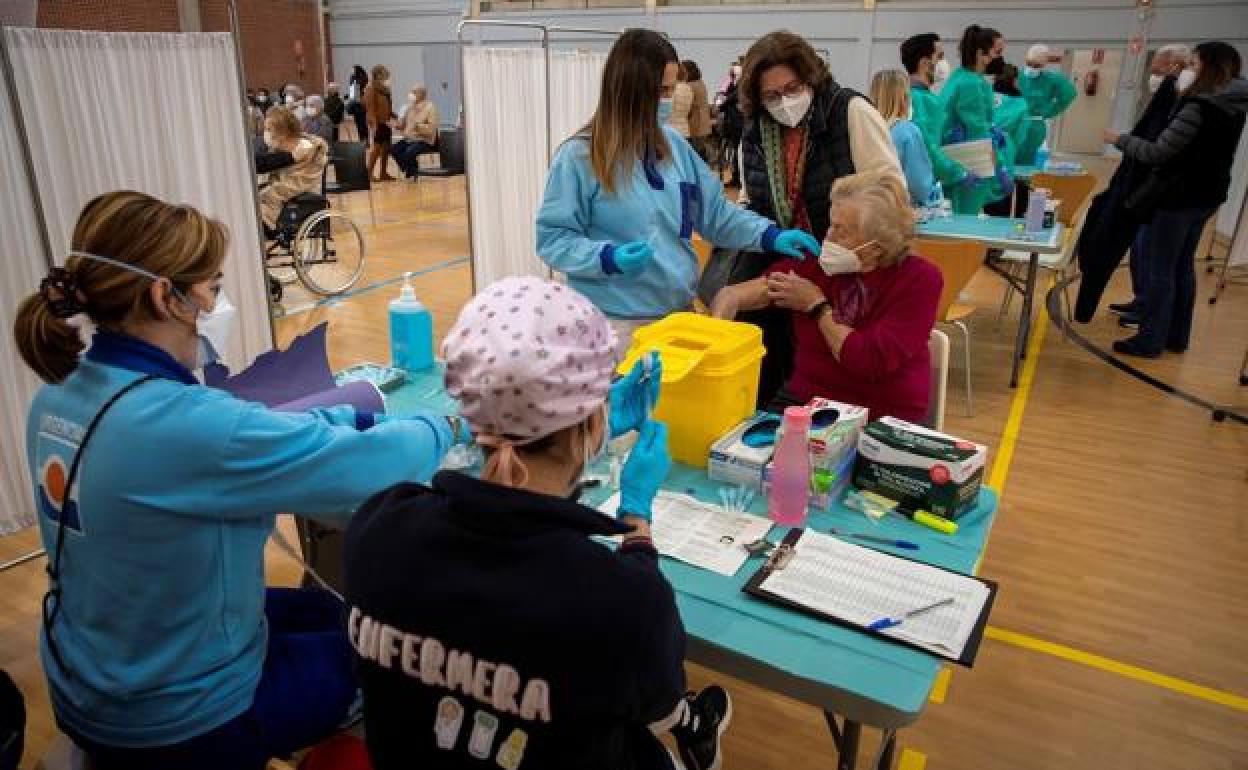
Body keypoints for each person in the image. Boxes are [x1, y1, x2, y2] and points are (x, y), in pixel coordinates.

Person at [13, 191, 461, 770]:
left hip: (92, 677)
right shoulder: (187, 426)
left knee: (334, 615)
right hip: (183, 721)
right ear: (164, 296)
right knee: (390, 646)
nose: (216, 303)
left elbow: (235, 440)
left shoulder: (59, 395)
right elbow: (367, 468)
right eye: (213, 288)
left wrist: (342, 416)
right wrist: (447, 424)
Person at [345, 275, 732, 770]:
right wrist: (636, 517)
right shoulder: (622, 599)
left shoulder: (378, 528)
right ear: (592, 424)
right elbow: (659, 708)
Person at [536, 29, 819, 349]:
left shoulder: (673, 146)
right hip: (610, 326)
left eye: (672, 89)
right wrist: (606, 257)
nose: (668, 101)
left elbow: (715, 214)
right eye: (661, 90)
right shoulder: (579, 157)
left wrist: (769, 235)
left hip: (674, 318)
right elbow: (553, 239)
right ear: (630, 91)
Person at [735, 30, 903, 406]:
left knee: (840, 377)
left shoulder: (850, 112)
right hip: (791, 266)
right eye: (771, 96)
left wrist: (856, 251)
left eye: (792, 88)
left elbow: (890, 194)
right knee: (780, 374)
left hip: (852, 268)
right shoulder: (756, 132)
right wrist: (769, 236)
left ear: (810, 78)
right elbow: (751, 199)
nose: (783, 101)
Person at [711, 172, 941, 422]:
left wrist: (817, 307)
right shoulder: (817, 265)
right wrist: (726, 305)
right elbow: (749, 291)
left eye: (842, 231)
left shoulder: (920, 280)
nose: (828, 237)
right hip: (807, 401)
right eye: (831, 225)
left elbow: (868, 361)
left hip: (883, 416)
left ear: (876, 247)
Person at [1103, 42, 1247, 357]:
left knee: (1160, 270)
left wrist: (1120, 140)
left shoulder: (1200, 106)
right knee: (1182, 266)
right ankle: (1176, 336)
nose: (1187, 71)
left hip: (1177, 197)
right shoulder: (1234, 105)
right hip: (1208, 195)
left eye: (1192, 64)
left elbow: (1159, 152)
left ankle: (1150, 339)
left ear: (1208, 67)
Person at [1091, 44, 1192, 320]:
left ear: (1175, 67)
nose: (1153, 74)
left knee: (1153, 258)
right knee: (1141, 251)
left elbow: (1156, 150)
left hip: (1160, 192)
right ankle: (1142, 300)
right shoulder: (1170, 99)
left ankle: (1151, 317)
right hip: (1153, 189)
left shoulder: (1182, 103)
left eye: (1157, 68)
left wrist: (1120, 140)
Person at [940, 25, 1009, 215]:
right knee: (963, 222)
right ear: (981, 53)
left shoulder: (959, 77)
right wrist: (1001, 167)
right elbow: (980, 133)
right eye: (998, 52)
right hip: (971, 163)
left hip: (957, 161)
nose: (1001, 58)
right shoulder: (972, 84)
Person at [901, 33, 967, 200]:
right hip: (914, 191)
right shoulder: (915, 99)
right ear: (924, 62)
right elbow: (927, 147)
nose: (944, 63)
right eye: (940, 56)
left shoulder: (926, 98)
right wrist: (957, 173)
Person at [869, 69, 936, 206]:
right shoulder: (907, 131)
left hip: (869, 208)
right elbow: (920, 185)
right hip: (898, 211)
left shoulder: (868, 129)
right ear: (903, 99)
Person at [257, 106, 328, 234]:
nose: (266, 133)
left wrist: (265, 190)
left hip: (301, 190)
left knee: (263, 198)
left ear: (282, 131)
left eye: (269, 129)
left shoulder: (305, 148)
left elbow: (298, 182)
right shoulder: (279, 147)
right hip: (285, 189)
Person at [983, 64, 1033, 217]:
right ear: (1014, 80)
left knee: (983, 186)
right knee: (1002, 188)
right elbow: (1021, 137)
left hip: (982, 144)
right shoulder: (1021, 104)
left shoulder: (985, 96)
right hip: (1004, 146)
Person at [1016, 44, 1077, 166]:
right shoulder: (1016, 76)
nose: (1031, 68)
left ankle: (1024, 183)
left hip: (1033, 127)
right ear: (1025, 60)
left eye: (1037, 65)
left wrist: (1051, 110)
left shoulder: (1051, 80)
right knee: (1009, 157)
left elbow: (1069, 94)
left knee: (1028, 160)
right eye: (1029, 63)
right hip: (1013, 123)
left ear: (1044, 65)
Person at [391, 85, 440, 179]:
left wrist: (417, 126)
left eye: (414, 92)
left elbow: (431, 129)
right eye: (411, 92)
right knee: (394, 149)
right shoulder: (409, 107)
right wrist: (396, 125)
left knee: (409, 152)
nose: (411, 94)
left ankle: (412, 171)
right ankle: (410, 169)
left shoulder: (430, 108)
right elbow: (403, 125)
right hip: (410, 139)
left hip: (424, 140)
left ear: (422, 94)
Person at [363, 65, 396, 182]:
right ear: (378, 74)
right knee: (376, 148)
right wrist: (374, 125)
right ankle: (368, 173)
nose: (388, 75)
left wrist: (393, 115)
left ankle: (383, 173)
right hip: (377, 122)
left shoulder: (385, 89)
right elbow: (370, 107)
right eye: (385, 73)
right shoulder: (370, 88)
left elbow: (387, 105)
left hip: (386, 121)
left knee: (386, 148)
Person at [683, 60, 713, 161]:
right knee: (701, 149)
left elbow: (688, 106)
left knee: (695, 152)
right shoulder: (701, 83)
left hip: (695, 122)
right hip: (704, 121)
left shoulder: (690, 86)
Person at [668, 63, 695, 138]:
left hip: (673, 130)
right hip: (685, 129)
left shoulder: (673, 89)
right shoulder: (689, 89)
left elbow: (670, 109)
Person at [347, 65, 370, 143]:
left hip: (361, 104)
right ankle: (362, 140)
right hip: (355, 105)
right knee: (359, 124)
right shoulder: (353, 79)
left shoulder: (362, 80)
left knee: (362, 124)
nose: (351, 71)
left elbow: (361, 92)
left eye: (352, 70)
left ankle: (365, 140)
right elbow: (352, 93)